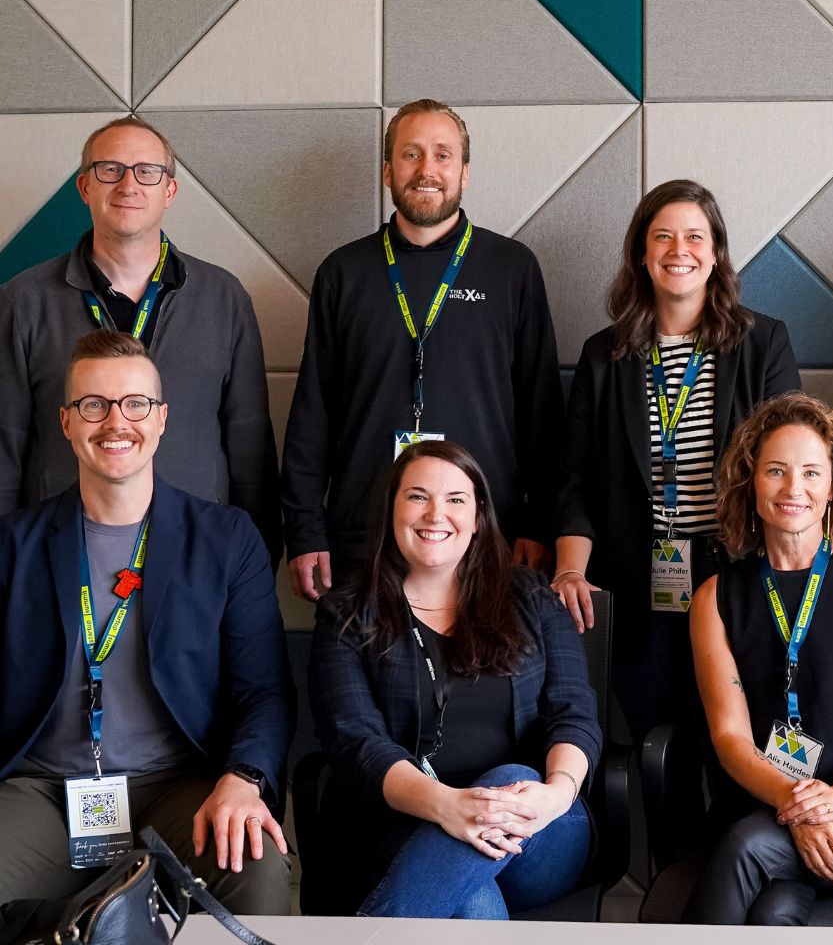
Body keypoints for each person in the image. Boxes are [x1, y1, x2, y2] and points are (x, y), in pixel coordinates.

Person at [0, 330, 292, 912]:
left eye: (135, 404)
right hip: (42, 790)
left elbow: (265, 690)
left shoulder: (226, 539)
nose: (115, 423)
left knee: (256, 866)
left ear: (161, 419)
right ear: (65, 422)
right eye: (94, 405)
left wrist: (244, 776)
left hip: (179, 783)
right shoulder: (13, 545)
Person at [283, 99, 566, 600]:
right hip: (363, 534)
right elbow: (313, 412)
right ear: (388, 170)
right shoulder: (343, 273)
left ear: (464, 172)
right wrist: (305, 529)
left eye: (442, 155)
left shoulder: (512, 269)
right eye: (411, 155)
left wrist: (539, 524)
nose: (427, 170)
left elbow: (541, 410)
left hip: (485, 532)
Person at [308, 440, 599, 918]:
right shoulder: (347, 614)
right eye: (418, 496)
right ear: (392, 508)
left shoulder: (531, 599)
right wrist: (445, 807)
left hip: (540, 826)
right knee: (471, 899)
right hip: (406, 823)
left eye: (456, 499)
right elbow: (355, 741)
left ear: (479, 514)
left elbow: (573, 712)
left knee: (512, 779)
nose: (435, 514)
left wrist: (556, 793)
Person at [554, 178, 799, 741]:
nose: (678, 250)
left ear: (716, 254)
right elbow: (575, 483)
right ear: (641, 255)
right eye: (662, 237)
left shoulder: (764, 344)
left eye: (695, 236)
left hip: (741, 577)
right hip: (641, 584)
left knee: (743, 743)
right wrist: (571, 569)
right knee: (659, 750)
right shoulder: (605, 355)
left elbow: (796, 457)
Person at [685, 394, 833, 924]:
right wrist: (798, 807)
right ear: (751, 484)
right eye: (776, 471)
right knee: (774, 909)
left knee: (750, 848)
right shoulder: (714, 599)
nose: (795, 489)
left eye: (812, 473)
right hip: (760, 803)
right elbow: (729, 739)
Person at [0, 116, 280, 560]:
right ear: (83, 188)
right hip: (58, 552)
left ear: (169, 190)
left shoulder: (222, 298)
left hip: (197, 551)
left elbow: (249, 442)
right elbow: (6, 440)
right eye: (109, 169)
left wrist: (258, 554)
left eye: (147, 171)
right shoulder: (24, 300)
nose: (128, 184)